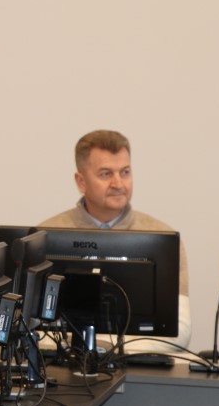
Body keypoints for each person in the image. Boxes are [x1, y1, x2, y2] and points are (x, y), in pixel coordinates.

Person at [39, 129, 190, 351]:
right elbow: (29, 327)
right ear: (81, 181)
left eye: (125, 172)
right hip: (63, 363)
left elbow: (180, 329)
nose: (118, 183)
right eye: (106, 174)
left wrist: (108, 348)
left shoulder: (163, 239)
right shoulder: (44, 236)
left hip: (138, 363)